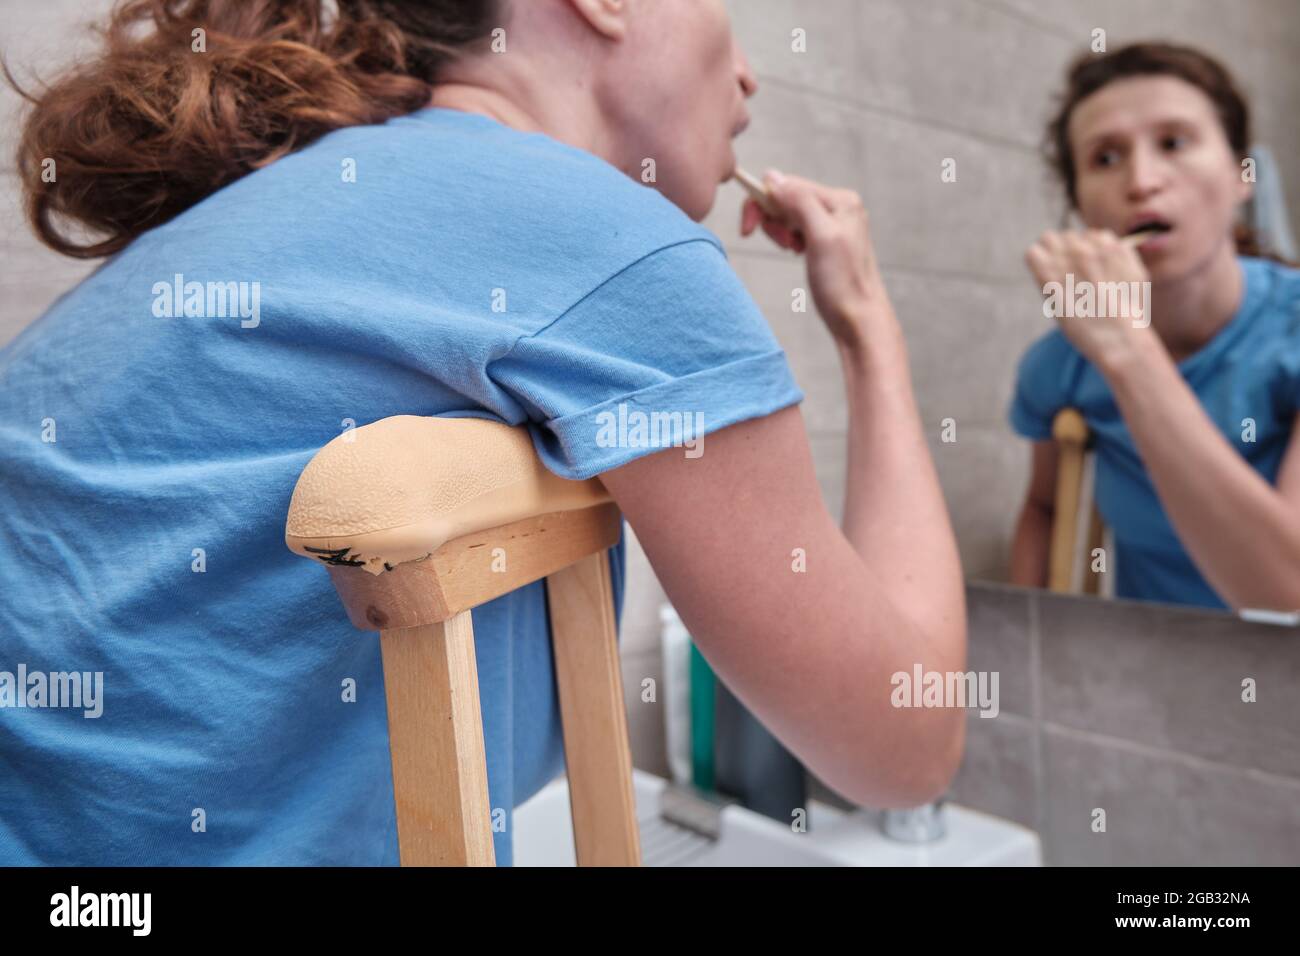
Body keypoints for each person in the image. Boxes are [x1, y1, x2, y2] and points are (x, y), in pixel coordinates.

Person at [0, 0, 965, 865]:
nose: (749, 73)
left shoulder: (249, 214)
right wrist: (870, 327)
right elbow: (906, 747)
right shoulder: (606, 235)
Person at [1009, 42, 1300, 612]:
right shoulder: (1060, 365)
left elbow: (1288, 597)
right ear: (1079, 203)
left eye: (1174, 143)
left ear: (1244, 175)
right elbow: (1044, 509)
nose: (1142, 181)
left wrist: (1127, 350)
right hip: (1154, 673)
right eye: (1106, 158)